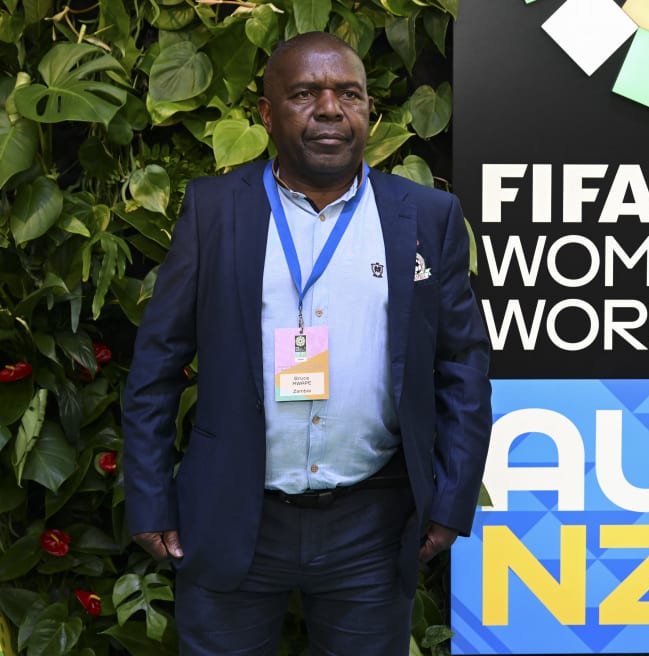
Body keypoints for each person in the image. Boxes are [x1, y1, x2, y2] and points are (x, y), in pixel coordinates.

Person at [121, 31, 492, 656]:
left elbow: (461, 365)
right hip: (232, 514)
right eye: (304, 94)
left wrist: (452, 500)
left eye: (348, 93)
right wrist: (151, 499)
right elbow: (157, 364)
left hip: (371, 525)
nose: (329, 108)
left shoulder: (426, 216)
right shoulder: (216, 210)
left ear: (368, 111)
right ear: (267, 113)